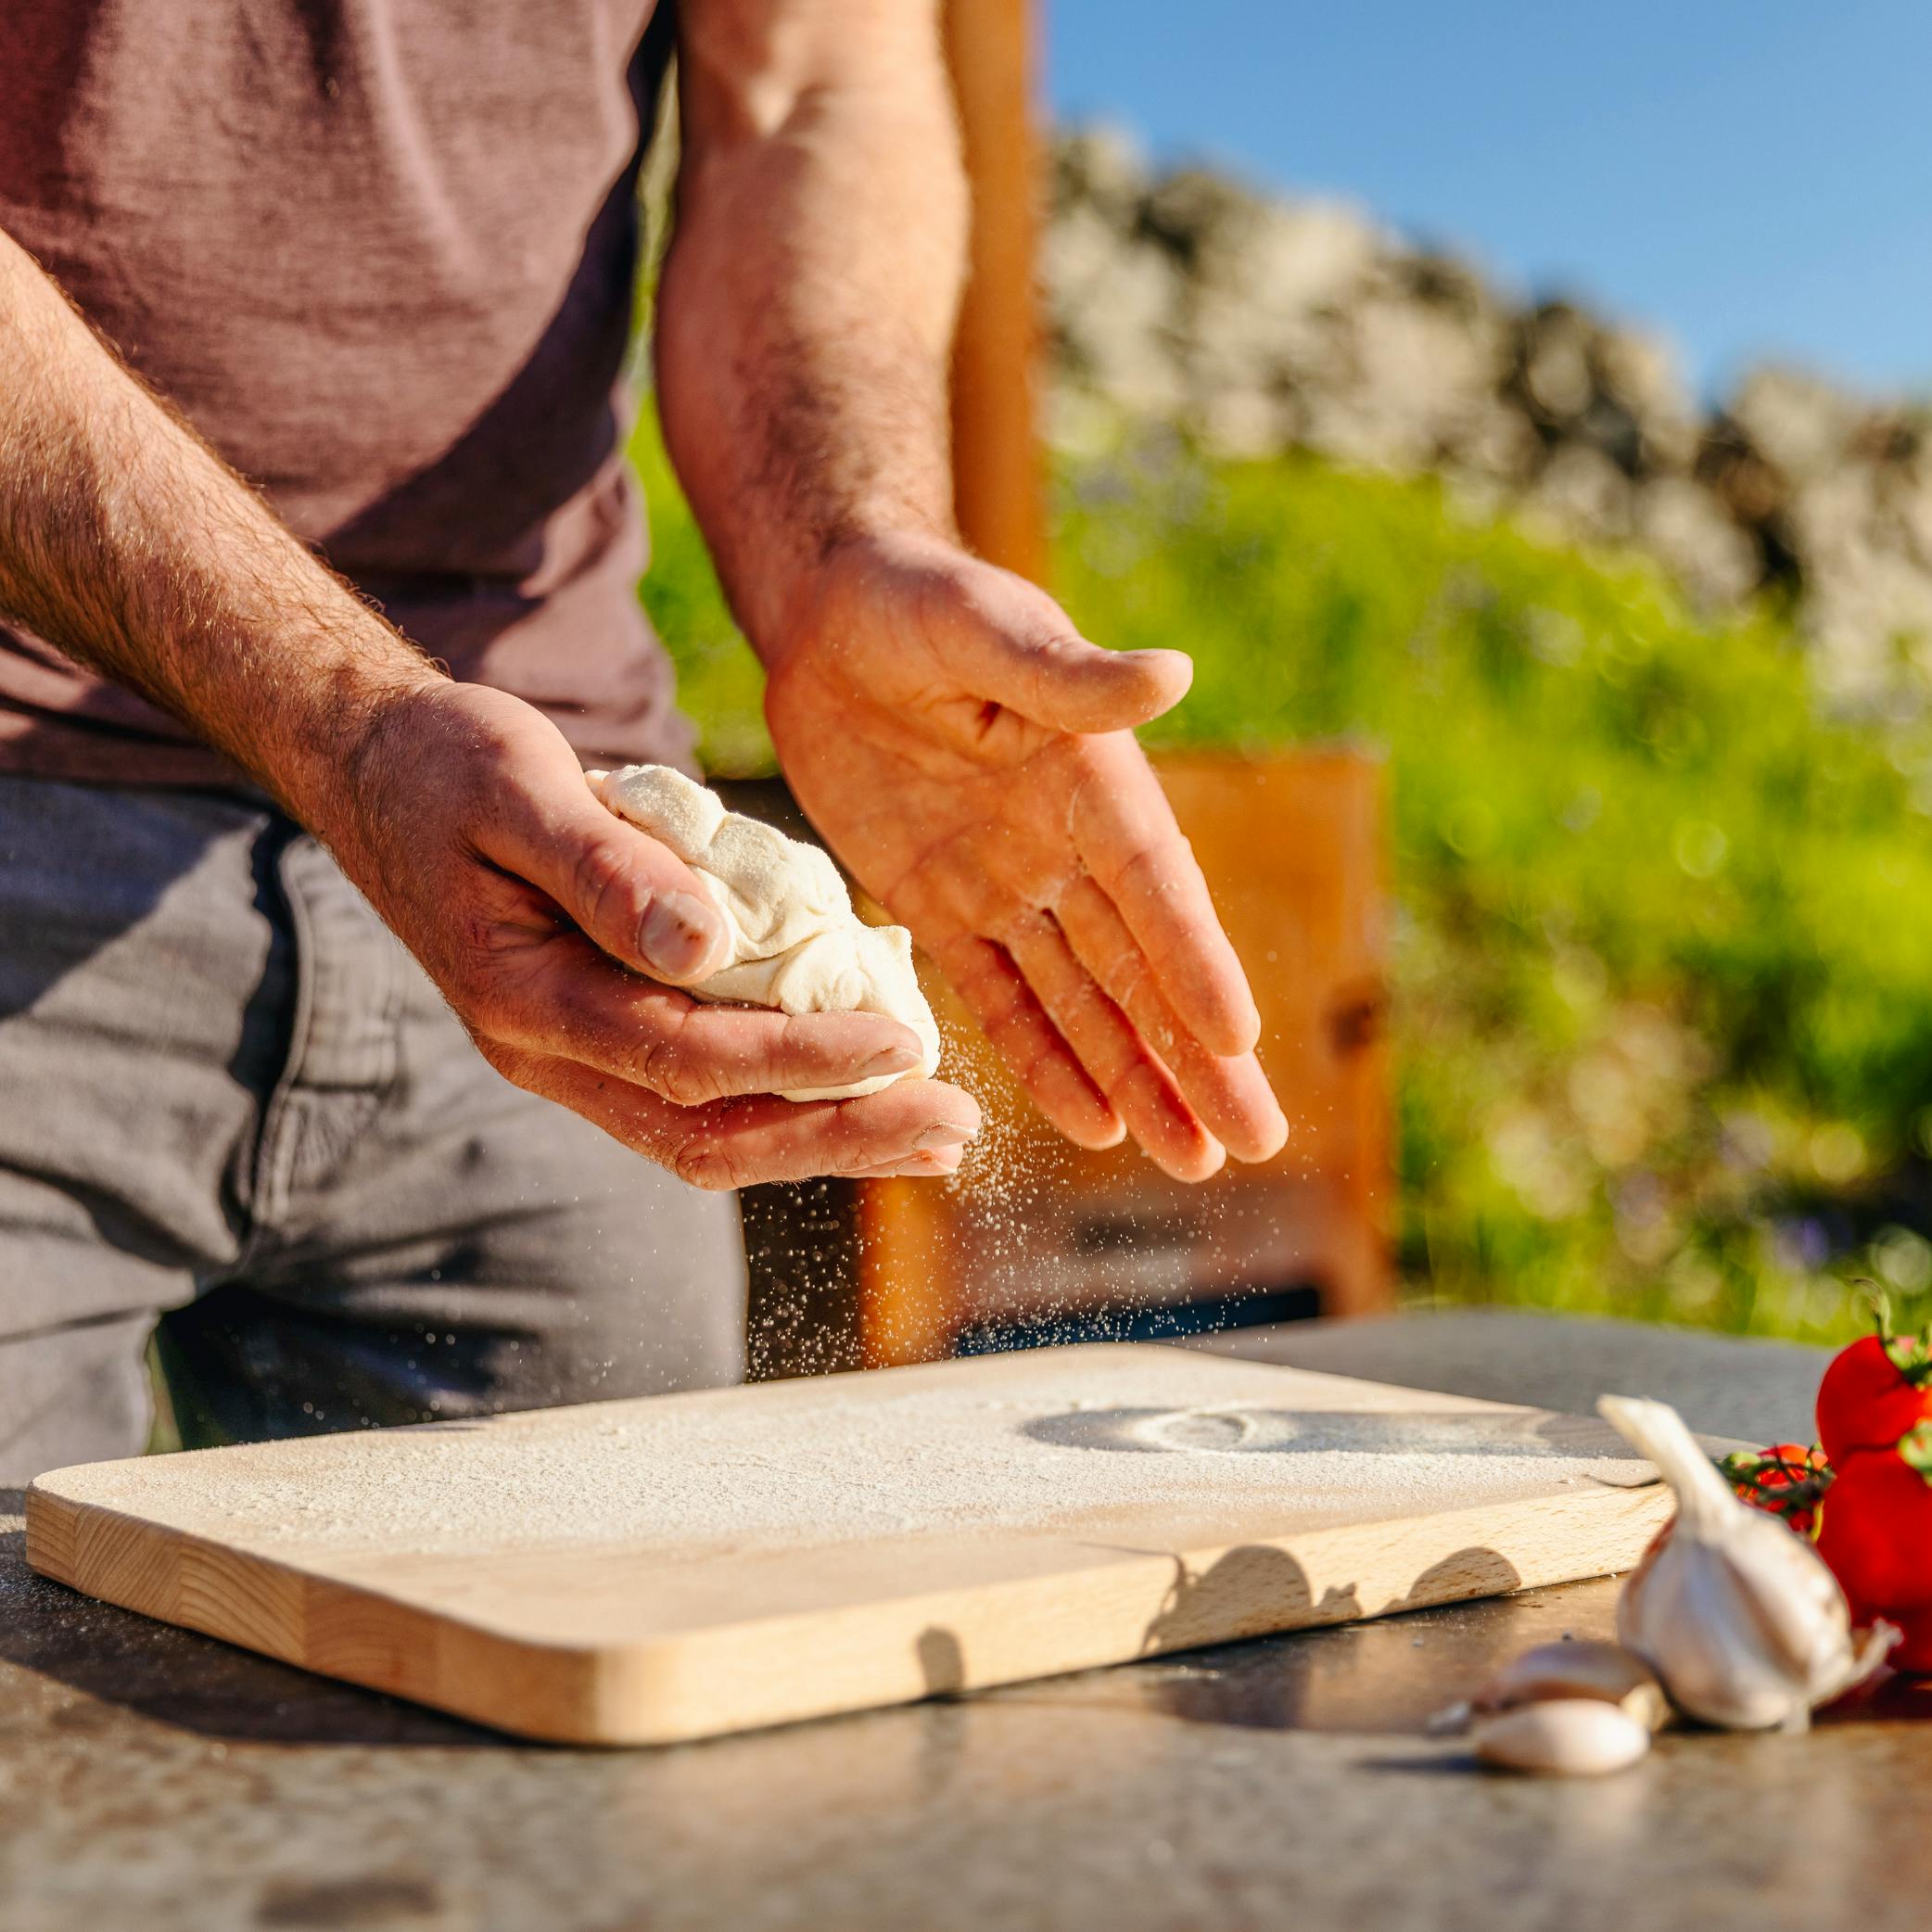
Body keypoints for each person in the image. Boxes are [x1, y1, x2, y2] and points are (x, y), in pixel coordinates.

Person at [0, 0, 1286, 1482]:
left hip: (576, 871)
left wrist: (839, 546)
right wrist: (344, 723)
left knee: (610, 1628)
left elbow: (815, 87)